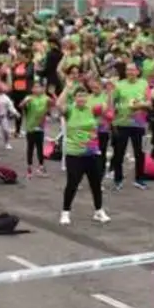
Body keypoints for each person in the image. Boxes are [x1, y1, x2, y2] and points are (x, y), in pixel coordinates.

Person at [57, 86, 111, 226]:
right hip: (74, 153)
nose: (81, 98)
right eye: (79, 96)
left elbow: (107, 107)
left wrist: (109, 92)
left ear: (87, 97)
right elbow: (59, 105)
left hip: (92, 153)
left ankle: (98, 211)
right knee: (72, 184)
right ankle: (65, 212)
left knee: (96, 183)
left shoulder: (92, 109)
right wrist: (67, 89)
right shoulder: (70, 110)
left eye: (84, 95)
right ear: (75, 98)